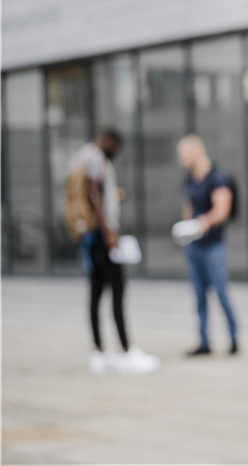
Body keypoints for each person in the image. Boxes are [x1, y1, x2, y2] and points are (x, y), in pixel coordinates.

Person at [67, 129, 160, 375]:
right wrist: (108, 230)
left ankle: (100, 353)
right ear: (109, 141)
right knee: (117, 289)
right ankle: (128, 351)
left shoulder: (83, 155)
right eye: (115, 146)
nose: (115, 151)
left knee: (96, 293)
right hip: (100, 236)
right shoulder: (97, 156)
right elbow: (93, 192)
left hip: (89, 235)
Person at [176, 134, 239, 357]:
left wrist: (203, 223)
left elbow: (222, 210)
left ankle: (233, 338)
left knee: (221, 292)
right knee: (199, 296)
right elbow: (189, 209)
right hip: (194, 247)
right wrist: (186, 229)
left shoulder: (217, 177)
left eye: (184, 154)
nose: (182, 159)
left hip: (213, 246)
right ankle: (203, 342)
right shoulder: (190, 180)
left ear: (196, 151)